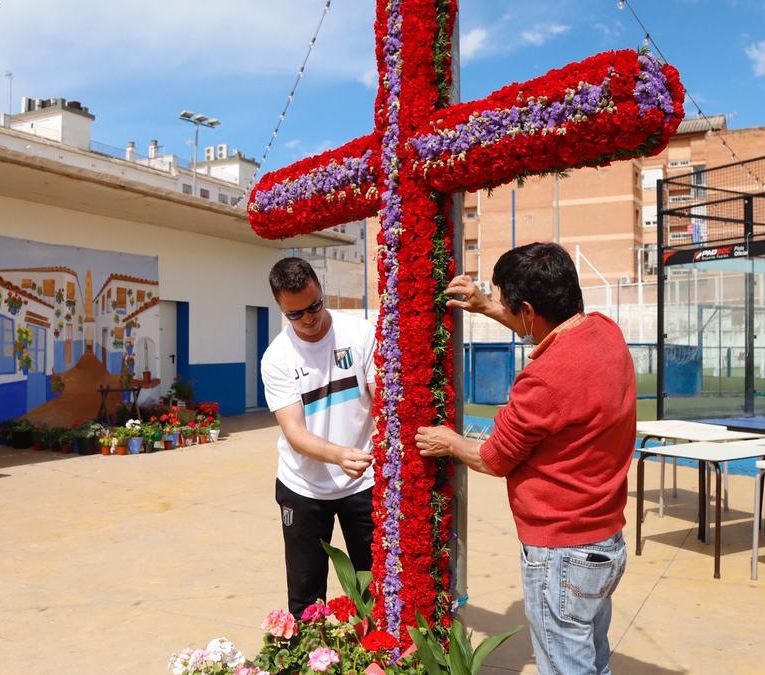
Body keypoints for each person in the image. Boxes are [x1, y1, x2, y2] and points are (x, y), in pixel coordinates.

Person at [415, 242, 636, 675]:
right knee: (592, 660)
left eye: (507, 306)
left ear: (530, 310)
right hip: (604, 545)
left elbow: (494, 458)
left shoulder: (543, 381)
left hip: (562, 553)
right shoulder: (606, 332)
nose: (505, 312)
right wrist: (485, 308)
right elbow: (541, 328)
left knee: (565, 667)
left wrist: (449, 441)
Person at [260, 257, 378, 619]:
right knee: (306, 595)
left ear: (320, 289)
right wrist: (339, 454)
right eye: (296, 314)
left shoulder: (360, 334)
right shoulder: (276, 358)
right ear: (281, 308)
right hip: (304, 487)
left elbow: (383, 400)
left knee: (374, 582)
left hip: (364, 480)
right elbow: (295, 433)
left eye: (315, 306)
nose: (309, 318)